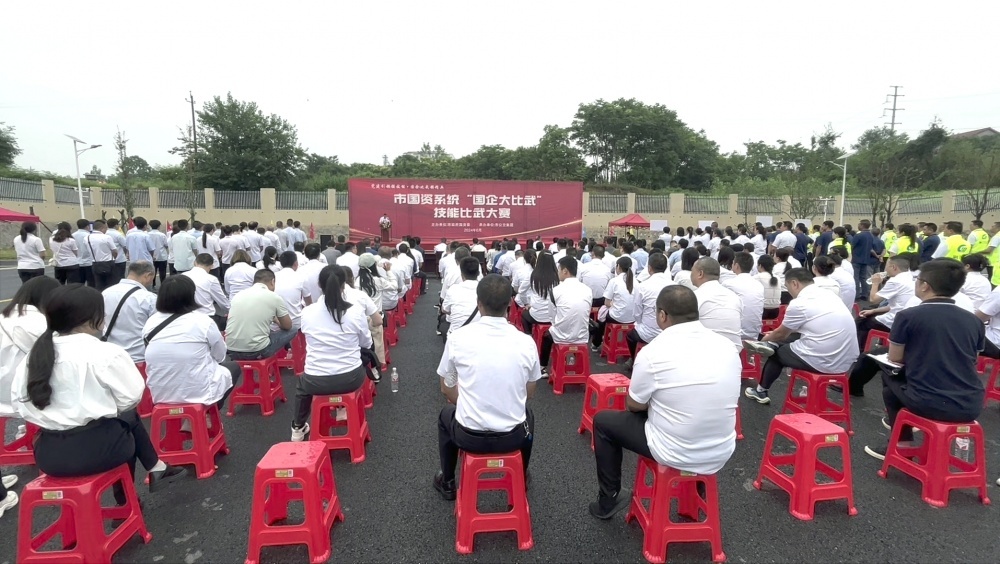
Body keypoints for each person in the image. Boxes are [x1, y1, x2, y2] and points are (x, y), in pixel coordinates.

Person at [12, 285, 186, 503]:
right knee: (125, 420)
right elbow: (131, 398)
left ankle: (152, 472)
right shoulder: (106, 353)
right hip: (97, 453)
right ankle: (127, 499)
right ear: (92, 318)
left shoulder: (34, 357)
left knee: (122, 420)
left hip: (49, 455)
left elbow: (21, 405)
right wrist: (102, 408)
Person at [589, 285, 740, 518]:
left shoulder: (653, 352)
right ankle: (696, 492)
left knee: (603, 422)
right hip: (721, 449)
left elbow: (634, 405)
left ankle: (609, 498)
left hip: (673, 448)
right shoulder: (727, 347)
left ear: (662, 315)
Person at [863, 259, 986, 460]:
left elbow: (895, 358)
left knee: (890, 379)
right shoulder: (974, 321)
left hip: (930, 401)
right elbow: (973, 360)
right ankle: (908, 429)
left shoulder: (908, 316)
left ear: (925, 285)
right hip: (972, 403)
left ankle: (902, 442)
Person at [434, 274, 540, 500]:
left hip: (468, 435)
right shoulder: (526, 342)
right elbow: (529, 392)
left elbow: (446, 387)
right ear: (509, 304)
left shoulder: (458, 338)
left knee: (445, 415)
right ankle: (521, 476)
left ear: (478, 303)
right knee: (528, 415)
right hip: (512, 436)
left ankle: (448, 481)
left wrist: (467, 402)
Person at [744, 268, 859, 404]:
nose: (790, 293)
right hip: (846, 362)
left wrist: (763, 340)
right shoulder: (830, 295)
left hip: (824, 360)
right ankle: (771, 344)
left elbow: (781, 333)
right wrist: (775, 336)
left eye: (788, 288)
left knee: (777, 354)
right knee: (789, 339)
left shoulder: (799, 303)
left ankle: (761, 391)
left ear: (794, 283)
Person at [291, 266, 373, 441]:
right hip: (350, 379)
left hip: (315, 381)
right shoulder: (355, 311)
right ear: (344, 285)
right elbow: (366, 343)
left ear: (319, 285)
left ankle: (298, 427)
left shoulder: (307, 312)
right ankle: (342, 409)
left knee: (302, 386)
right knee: (362, 355)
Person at [142, 276, 241, 409]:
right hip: (199, 392)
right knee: (233, 367)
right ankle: (209, 411)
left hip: (160, 393)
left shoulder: (150, 322)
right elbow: (220, 356)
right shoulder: (203, 321)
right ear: (191, 296)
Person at [537, 257, 593, 372]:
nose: (557, 272)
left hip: (561, 336)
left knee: (546, 336)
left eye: (559, 269)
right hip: (582, 336)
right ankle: (577, 366)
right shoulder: (587, 290)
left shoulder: (556, 290)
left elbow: (552, 317)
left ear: (565, 271)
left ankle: (542, 367)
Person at [226, 269, 295, 360]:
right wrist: (276, 321)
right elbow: (287, 326)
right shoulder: (274, 297)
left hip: (231, 350)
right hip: (257, 351)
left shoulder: (238, 295)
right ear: (272, 281)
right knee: (294, 329)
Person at [101, 261, 157, 363]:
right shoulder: (149, 298)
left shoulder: (106, 293)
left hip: (111, 355)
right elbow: (156, 328)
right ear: (148, 275)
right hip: (138, 356)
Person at [856, 255, 914, 348]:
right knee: (868, 312)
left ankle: (859, 350)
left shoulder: (895, 281)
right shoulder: (910, 277)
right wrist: (874, 311)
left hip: (895, 322)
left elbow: (873, 300)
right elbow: (897, 305)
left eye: (886, 266)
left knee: (862, 321)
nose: (885, 269)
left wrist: (875, 283)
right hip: (907, 320)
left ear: (894, 267)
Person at [628, 252, 674, 362]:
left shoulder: (642, 286)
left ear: (649, 268)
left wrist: (641, 323)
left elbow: (637, 314)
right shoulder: (675, 285)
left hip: (647, 333)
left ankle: (635, 361)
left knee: (630, 336)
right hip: (669, 333)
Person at [691, 257, 743, 349]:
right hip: (734, 351)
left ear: (700, 274)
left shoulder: (695, 297)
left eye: (692, 271)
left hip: (707, 351)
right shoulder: (734, 297)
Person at [356, 253, 396, 364]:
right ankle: (379, 363)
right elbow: (394, 286)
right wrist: (388, 271)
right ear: (373, 265)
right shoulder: (378, 280)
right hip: (376, 318)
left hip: (361, 318)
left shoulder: (356, 281)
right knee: (378, 341)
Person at [592, 256, 636, 349]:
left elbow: (607, 303)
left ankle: (596, 343)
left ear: (618, 266)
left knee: (602, 315)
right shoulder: (636, 282)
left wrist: (614, 304)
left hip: (617, 317)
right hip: (633, 318)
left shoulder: (614, 281)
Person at [723, 252, 765, 340]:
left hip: (737, 334)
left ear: (736, 266)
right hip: (755, 333)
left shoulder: (729, 284)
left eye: (733, 262)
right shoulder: (759, 285)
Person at [183, 253, 230, 331]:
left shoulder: (182, 276)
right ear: (211, 266)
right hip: (206, 317)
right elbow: (222, 302)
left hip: (185, 317)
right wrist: (231, 311)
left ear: (194, 262)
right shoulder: (211, 279)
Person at [520, 252, 558, 336]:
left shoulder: (533, 275)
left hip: (536, 315)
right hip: (554, 317)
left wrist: (526, 303)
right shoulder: (558, 277)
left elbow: (521, 291)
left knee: (524, 315)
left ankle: (529, 335)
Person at [273, 251, 313, 332]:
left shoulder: (272, 276)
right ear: (296, 263)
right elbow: (309, 304)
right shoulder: (302, 277)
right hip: (296, 324)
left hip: (275, 325)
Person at [442, 257, 481, 336]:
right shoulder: (485, 289)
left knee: (444, 322)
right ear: (478, 273)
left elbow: (445, 309)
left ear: (462, 274)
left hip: (455, 335)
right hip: (479, 333)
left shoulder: (453, 289)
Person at [86, 220, 119, 291]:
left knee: (99, 284)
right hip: (108, 262)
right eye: (106, 228)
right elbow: (114, 251)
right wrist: (114, 258)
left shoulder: (87, 237)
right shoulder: (107, 237)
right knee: (111, 284)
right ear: (102, 228)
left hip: (95, 263)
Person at [850, 220, 879, 297]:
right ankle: (865, 294)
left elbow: (852, 246)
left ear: (862, 225)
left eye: (859, 224)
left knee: (856, 277)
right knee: (863, 278)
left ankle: (856, 295)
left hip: (856, 259)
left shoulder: (858, 235)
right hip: (866, 259)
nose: (858, 226)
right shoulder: (871, 236)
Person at [147, 220, 168, 288]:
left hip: (151, 256)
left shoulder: (147, 234)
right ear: (159, 226)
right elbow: (166, 245)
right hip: (162, 256)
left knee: (152, 271)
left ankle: (153, 285)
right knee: (162, 272)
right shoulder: (162, 235)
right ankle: (163, 285)